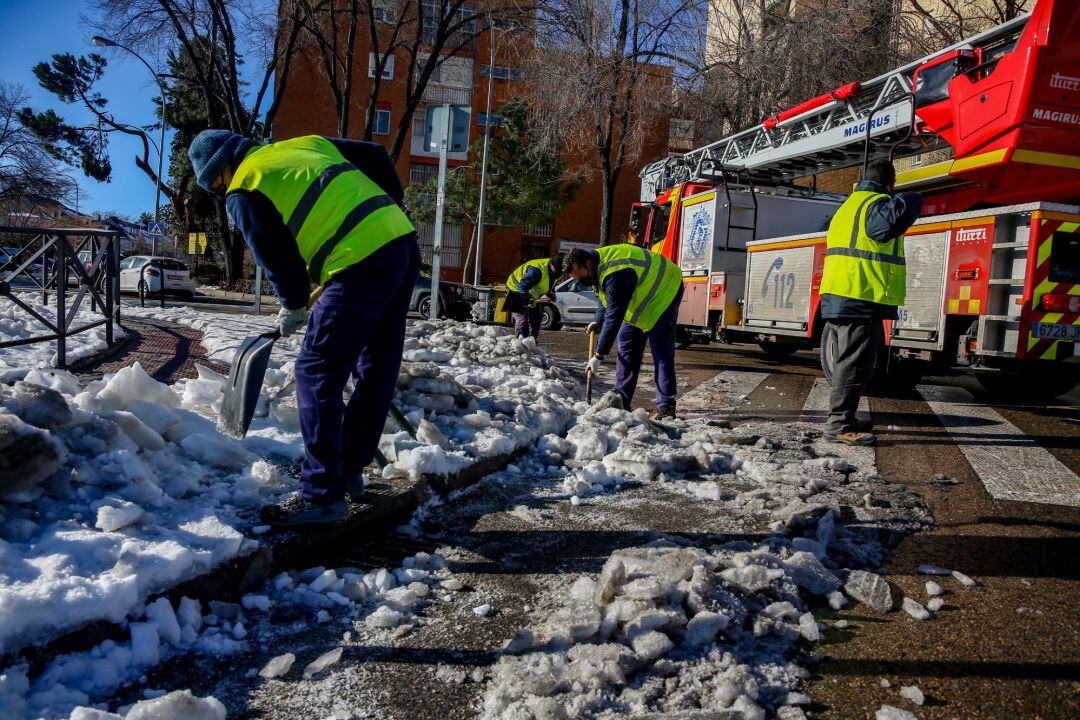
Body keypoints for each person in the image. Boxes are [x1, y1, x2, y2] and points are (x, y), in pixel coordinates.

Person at [188, 130, 419, 527]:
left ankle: (321, 493)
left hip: (356, 261)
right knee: (376, 369)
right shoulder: (306, 144)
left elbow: (275, 255)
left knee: (315, 372)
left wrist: (293, 306)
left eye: (215, 184)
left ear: (222, 168)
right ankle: (346, 471)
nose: (220, 191)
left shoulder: (245, 186)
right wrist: (387, 212)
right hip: (400, 243)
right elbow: (378, 156)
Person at [819, 158, 922, 446]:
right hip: (859, 297)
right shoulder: (875, 205)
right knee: (854, 366)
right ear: (889, 184)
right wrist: (912, 195)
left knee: (845, 364)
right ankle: (838, 425)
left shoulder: (850, 206)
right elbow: (893, 220)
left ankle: (843, 419)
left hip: (841, 295)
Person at [563, 244, 683, 419]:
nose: (580, 281)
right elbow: (604, 298)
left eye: (580, 276)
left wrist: (599, 355)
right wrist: (598, 320)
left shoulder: (615, 272)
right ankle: (622, 399)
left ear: (588, 263)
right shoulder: (596, 268)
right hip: (642, 299)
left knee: (661, 349)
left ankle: (666, 406)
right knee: (626, 343)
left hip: (665, 290)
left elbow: (615, 314)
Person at [504, 253, 565, 339]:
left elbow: (550, 283)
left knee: (536, 317)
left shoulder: (558, 272)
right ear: (552, 267)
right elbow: (522, 286)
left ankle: (532, 342)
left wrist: (550, 293)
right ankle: (522, 343)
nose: (561, 274)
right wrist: (525, 300)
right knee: (523, 317)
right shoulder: (536, 271)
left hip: (532, 293)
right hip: (516, 288)